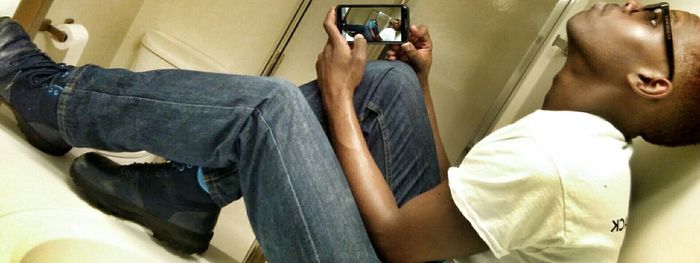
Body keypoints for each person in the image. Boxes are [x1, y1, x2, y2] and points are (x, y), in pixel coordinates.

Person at [1, 0, 699, 261]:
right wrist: (422, 83)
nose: (641, 3)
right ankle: (190, 195)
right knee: (389, 83)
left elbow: (399, 240)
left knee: (269, 109)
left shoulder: (560, 156)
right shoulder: (580, 144)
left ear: (650, 82)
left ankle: (44, 93)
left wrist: (336, 98)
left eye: (657, 21)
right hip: (438, 256)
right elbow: (460, 204)